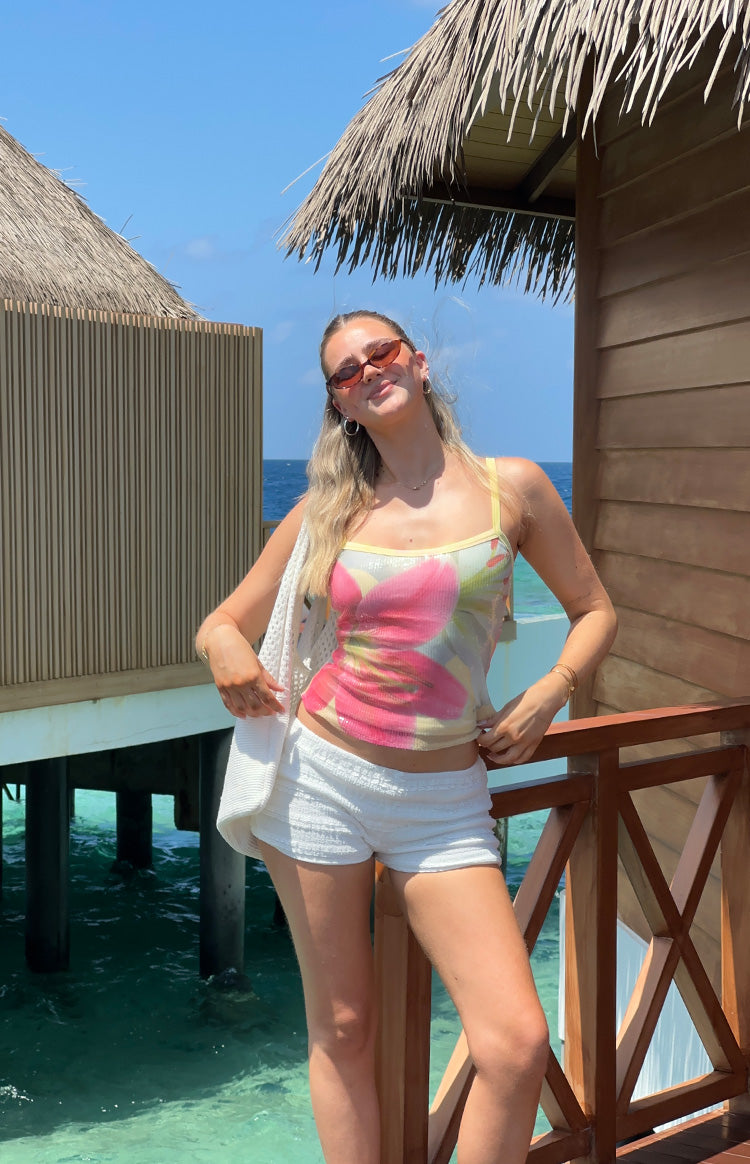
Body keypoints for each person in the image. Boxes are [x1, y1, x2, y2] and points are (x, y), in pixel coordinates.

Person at [196, 309, 617, 1164]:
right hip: (319, 784)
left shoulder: (516, 489)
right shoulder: (327, 511)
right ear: (341, 405)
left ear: (419, 364)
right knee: (344, 1028)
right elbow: (222, 623)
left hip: (444, 799)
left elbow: (596, 610)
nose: (367, 371)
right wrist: (226, 651)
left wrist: (551, 693)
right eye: (345, 372)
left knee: (514, 1042)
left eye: (379, 353)